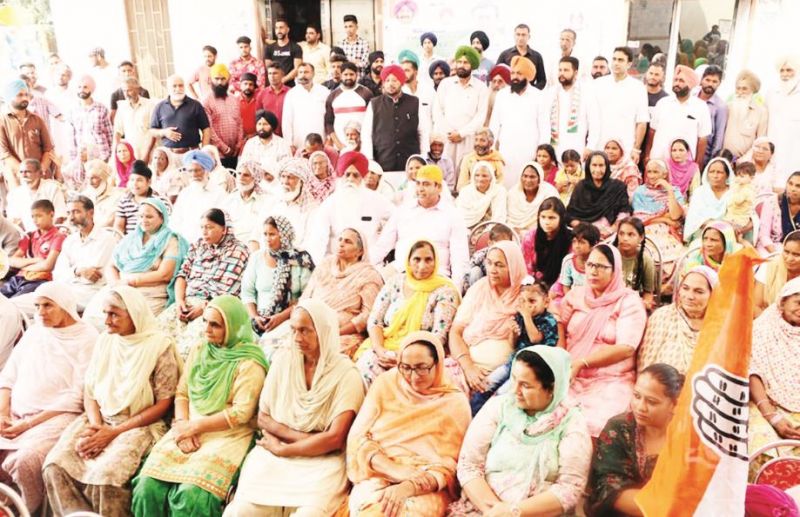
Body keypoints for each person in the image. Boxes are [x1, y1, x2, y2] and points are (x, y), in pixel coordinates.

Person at [42, 286, 180, 516]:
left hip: (138, 424)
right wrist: (97, 427)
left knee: (106, 479)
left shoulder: (159, 346)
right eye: (105, 313)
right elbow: (90, 390)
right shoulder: (106, 340)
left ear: (134, 315)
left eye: (114, 314)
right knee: (55, 466)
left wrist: (113, 432)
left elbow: (163, 404)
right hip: (99, 418)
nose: (106, 320)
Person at [224, 299, 364, 515]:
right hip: (275, 456)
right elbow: (263, 418)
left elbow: (335, 439)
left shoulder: (347, 375)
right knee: (240, 511)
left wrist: (286, 447)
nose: (297, 338)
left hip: (322, 463)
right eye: (294, 330)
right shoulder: (283, 361)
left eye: (305, 330)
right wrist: (307, 441)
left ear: (324, 331)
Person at [131, 295, 267, 517]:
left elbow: (241, 413)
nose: (207, 329)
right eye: (205, 321)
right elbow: (182, 393)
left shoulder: (249, 362)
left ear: (233, 327)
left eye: (215, 325)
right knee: (147, 487)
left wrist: (194, 428)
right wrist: (182, 426)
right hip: (188, 425)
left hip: (227, 433)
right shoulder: (201, 349)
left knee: (192, 496)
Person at [448, 346, 591, 516]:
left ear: (552, 388)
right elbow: (469, 465)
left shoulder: (570, 421)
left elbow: (570, 487)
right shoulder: (499, 407)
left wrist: (515, 511)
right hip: (484, 509)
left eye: (525, 385)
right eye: (514, 379)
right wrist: (496, 511)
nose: (515, 390)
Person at [346, 331, 471, 515]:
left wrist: (408, 486)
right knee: (373, 511)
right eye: (405, 367)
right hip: (379, 472)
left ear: (438, 364)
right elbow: (357, 438)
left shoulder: (454, 403)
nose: (413, 376)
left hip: (426, 485)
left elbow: (450, 467)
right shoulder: (386, 383)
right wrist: (394, 469)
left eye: (421, 368)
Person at [0, 283, 97, 513]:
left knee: (26, 460)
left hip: (56, 416)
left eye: (47, 306)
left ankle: (25, 510)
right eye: (37, 306)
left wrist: (28, 424)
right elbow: (9, 376)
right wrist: (3, 412)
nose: (41, 312)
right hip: (14, 413)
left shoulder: (88, 338)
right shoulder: (35, 331)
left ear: (65, 306)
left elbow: (77, 396)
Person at [560, 244, 647, 437]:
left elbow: (626, 348)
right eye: (590, 265)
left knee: (595, 425)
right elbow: (558, 320)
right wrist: (561, 354)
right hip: (571, 374)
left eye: (601, 266)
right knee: (549, 416)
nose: (593, 271)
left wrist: (583, 363)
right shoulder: (577, 294)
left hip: (611, 380)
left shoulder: (628, 302)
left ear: (615, 271)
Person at [585, 364, 685, 516]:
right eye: (637, 396)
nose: (640, 407)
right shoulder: (619, 428)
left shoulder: (687, 437)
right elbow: (607, 487)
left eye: (652, 401)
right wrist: (663, 509)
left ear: (674, 404)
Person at [356, 240, 460, 385]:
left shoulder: (445, 291)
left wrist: (406, 359)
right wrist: (380, 350)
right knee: (364, 370)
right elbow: (375, 321)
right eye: (417, 259)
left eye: (428, 260)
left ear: (436, 261)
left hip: (420, 357)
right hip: (386, 348)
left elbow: (439, 335)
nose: (422, 266)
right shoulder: (395, 283)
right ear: (408, 261)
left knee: (397, 382)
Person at [157, 209, 250, 358]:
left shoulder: (238, 251)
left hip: (215, 308)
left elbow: (229, 292)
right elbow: (182, 275)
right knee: (156, 338)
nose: (204, 232)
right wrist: (180, 302)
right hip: (186, 303)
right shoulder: (198, 246)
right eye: (202, 227)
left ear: (224, 229)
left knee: (187, 349)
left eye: (210, 227)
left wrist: (204, 308)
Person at [466, 280, 560, 416]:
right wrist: (513, 333)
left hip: (531, 370)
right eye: (523, 301)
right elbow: (512, 345)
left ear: (546, 302)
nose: (527, 306)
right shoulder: (520, 317)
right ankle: (471, 415)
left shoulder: (548, 320)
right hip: (514, 362)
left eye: (532, 301)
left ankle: (491, 417)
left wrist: (526, 316)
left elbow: (535, 339)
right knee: (486, 385)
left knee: (502, 394)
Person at [447, 241, 526, 394]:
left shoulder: (526, 295)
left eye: (499, 265)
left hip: (505, 375)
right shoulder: (479, 288)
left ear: (514, 266)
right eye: (489, 263)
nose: (492, 270)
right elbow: (455, 332)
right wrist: (468, 367)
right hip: (465, 366)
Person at [371, 165, 469, 287]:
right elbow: (382, 246)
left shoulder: (453, 215)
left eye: (426, 184)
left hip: (436, 275)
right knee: (369, 283)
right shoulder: (403, 210)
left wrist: (456, 288)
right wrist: (370, 269)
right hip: (400, 270)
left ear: (438, 187)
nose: (420, 189)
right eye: (418, 184)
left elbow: (460, 258)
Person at [96, 198, 188, 320]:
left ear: (162, 218)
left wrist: (131, 282)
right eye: (140, 216)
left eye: (149, 217)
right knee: (95, 317)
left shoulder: (171, 240)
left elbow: (165, 274)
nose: (144, 220)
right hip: (120, 289)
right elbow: (111, 266)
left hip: (149, 294)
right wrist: (116, 284)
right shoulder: (130, 239)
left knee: (126, 320)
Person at [300, 228, 383, 356]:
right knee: (284, 347)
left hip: (344, 333)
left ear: (360, 251)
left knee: (322, 354)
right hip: (309, 326)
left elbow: (368, 316)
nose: (341, 244)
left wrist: (335, 333)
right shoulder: (325, 264)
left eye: (348, 241)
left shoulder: (368, 275)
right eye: (340, 239)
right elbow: (306, 297)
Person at [307, 151, 393, 264]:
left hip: (368, 264)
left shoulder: (377, 200)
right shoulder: (330, 203)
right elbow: (318, 240)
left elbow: (396, 220)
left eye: (355, 175)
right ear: (341, 176)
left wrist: (377, 253)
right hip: (337, 265)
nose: (350, 180)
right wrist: (325, 265)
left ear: (362, 177)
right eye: (347, 175)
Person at [748, 277, 800, 453]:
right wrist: (772, 416)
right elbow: (752, 371)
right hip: (766, 406)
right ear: (783, 302)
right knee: (762, 448)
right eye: (798, 303)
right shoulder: (763, 328)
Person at [241, 215, 313, 339]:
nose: (267, 239)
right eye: (265, 234)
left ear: (284, 235)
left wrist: (280, 317)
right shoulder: (257, 258)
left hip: (289, 319)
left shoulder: (300, 259)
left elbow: (307, 298)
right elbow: (247, 293)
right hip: (258, 320)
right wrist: (254, 317)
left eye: (272, 234)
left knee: (271, 342)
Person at [638, 266, 718, 374]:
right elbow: (645, 364)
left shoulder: (721, 325)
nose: (689, 296)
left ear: (713, 294)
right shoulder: (663, 317)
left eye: (699, 292)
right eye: (685, 288)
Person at [43, 196, 116, 312]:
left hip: (91, 293)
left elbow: (91, 278)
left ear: (91, 213)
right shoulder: (70, 240)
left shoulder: (106, 239)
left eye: (76, 212)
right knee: (38, 295)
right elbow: (57, 275)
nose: (71, 217)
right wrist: (78, 271)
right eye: (69, 213)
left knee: (47, 304)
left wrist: (71, 275)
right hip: (67, 289)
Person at [489, 56, 548, 189]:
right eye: (513, 73)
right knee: (505, 185)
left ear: (528, 76)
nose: (515, 77)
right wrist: (491, 149)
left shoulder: (539, 96)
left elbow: (544, 127)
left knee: (528, 187)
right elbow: (494, 124)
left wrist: (542, 153)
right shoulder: (502, 95)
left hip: (530, 151)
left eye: (519, 73)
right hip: (506, 151)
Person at [631, 159, 687, 291]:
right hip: (647, 230)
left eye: (655, 172)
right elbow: (640, 218)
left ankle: (667, 291)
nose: (651, 175)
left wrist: (669, 190)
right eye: (649, 172)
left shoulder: (674, 191)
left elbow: (675, 216)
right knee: (649, 254)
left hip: (669, 231)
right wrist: (665, 219)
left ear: (664, 174)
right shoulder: (640, 192)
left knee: (680, 258)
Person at [434, 46, 489, 173]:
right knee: (445, 173)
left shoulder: (481, 88)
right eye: (459, 62)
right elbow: (437, 112)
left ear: (472, 65)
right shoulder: (446, 84)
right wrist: (450, 133)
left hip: (468, 140)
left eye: (465, 62)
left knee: (465, 174)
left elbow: (480, 117)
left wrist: (461, 134)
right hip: (447, 139)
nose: (461, 65)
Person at [588, 47, 648, 163]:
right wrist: (590, 145)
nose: (616, 63)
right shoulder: (598, 85)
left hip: (626, 147)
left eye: (620, 60)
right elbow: (591, 117)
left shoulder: (638, 87)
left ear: (629, 64)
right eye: (614, 59)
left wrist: (636, 149)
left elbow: (642, 122)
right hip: (600, 145)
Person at [361, 64, 425, 172]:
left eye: (395, 80)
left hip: (410, 164)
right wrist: (370, 160)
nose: (391, 84)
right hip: (383, 162)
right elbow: (366, 134)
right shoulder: (374, 104)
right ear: (383, 83)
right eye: (387, 80)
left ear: (401, 82)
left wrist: (423, 157)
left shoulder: (414, 102)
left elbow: (423, 132)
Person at [646, 65, 711, 166]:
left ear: (690, 84)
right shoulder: (663, 103)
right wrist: (647, 155)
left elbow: (702, 140)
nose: (677, 83)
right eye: (675, 80)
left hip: (684, 165)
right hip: (658, 162)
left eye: (681, 81)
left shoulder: (701, 107)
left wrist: (697, 165)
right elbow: (652, 131)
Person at [2, 200, 65, 298]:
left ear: (51, 214)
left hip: (39, 280)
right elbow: (12, 261)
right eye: (32, 216)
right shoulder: (30, 236)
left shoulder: (58, 237)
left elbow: (48, 265)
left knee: (14, 303)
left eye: (39, 216)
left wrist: (23, 266)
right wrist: (36, 260)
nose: (35, 220)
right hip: (19, 277)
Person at [0, 79, 54, 188]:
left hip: (41, 178)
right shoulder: (2, 121)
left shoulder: (37, 119)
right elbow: (4, 154)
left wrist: (40, 170)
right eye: (19, 95)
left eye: (26, 94)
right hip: (17, 180)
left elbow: (48, 149)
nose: (25, 98)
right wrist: (25, 173)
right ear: (9, 97)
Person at [566, 151, 631, 238]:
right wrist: (585, 229)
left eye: (601, 165)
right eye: (594, 165)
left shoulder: (618, 187)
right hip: (584, 234)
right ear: (588, 167)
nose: (597, 170)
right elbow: (570, 215)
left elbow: (624, 213)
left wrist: (611, 230)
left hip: (610, 235)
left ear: (607, 166)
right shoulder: (581, 187)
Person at [171, 150, 227, 242]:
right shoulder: (185, 193)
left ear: (206, 171)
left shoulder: (219, 193)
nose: (194, 174)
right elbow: (175, 221)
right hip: (184, 242)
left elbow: (223, 223)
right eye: (190, 171)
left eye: (197, 170)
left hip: (210, 243)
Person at [148, 75, 211, 156]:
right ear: (168, 88)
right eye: (174, 86)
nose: (178, 89)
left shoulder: (195, 105)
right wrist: (164, 132)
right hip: (168, 155)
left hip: (192, 153)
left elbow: (206, 129)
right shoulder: (159, 107)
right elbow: (152, 131)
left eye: (180, 85)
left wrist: (203, 151)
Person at [548, 56, 595, 159]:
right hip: (554, 146)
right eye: (560, 70)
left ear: (576, 72)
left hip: (578, 147)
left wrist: (590, 146)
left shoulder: (586, 92)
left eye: (566, 70)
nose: (562, 73)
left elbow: (594, 122)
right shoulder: (551, 92)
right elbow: (544, 121)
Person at [223, 161, 275, 250]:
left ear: (255, 178)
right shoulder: (230, 199)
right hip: (232, 248)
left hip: (257, 247)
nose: (241, 178)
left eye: (246, 175)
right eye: (239, 174)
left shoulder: (267, 200)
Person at [521, 196, 572, 285]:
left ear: (561, 218)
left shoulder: (570, 239)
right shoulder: (530, 237)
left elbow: (568, 270)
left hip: (562, 284)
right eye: (543, 217)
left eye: (551, 217)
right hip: (535, 283)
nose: (546, 222)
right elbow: (527, 268)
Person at [6, 158, 66, 231]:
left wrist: (50, 235)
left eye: (28, 172)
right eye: (21, 172)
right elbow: (15, 220)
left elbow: (60, 216)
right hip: (26, 235)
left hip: (53, 233)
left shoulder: (52, 188)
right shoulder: (14, 194)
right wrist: (29, 236)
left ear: (40, 173)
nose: (23, 175)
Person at [203, 64, 244, 170]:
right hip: (218, 154)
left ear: (228, 80)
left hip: (235, 152)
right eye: (216, 79)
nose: (220, 82)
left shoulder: (234, 99)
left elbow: (239, 123)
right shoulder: (206, 101)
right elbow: (209, 129)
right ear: (211, 80)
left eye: (223, 79)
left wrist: (239, 144)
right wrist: (225, 149)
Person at [324, 62, 373, 150]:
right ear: (341, 75)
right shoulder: (332, 96)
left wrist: (364, 143)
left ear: (356, 75)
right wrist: (339, 145)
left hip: (363, 146)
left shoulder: (366, 93)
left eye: (351, 74)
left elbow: (373, 119)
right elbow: (328, 123)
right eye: (345, 74)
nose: (348, 77)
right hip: (340, 147)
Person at [271, 158, 319, 247]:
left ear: (301, 182)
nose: (285, 182)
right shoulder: (273, 202)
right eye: (283, 176)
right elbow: (257, 234)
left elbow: (310, 242)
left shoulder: (312, 209)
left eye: (291, 177)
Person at [113, 161, 171, 235]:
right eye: (132, 180)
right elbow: (118, 226)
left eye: (139, 180)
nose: (134, 184)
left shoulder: (160, 201)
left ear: (149, 182)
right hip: (129, 240)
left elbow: (166, 225)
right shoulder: (124, 201)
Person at [683, 157, 734, 242]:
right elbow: (694, 218)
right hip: (703, 234)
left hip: (729, 234)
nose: (715, 176)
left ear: (727, 175)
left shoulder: (735, 192)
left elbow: (745, 215)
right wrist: (715, 226)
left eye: (719, 172)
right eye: (711, 172)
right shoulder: (700, 192)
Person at [282, 63, 328, 151]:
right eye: (300, 72)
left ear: (313, 74)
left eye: (306, 72)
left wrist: (329, 139)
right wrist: (289, 143)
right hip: (298, 143)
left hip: (321, 141)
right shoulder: (291, 94)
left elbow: (329, 117)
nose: (303, 75)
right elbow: (287, 121)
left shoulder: (324, 91)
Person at [767, 55, 800, 178]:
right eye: (782, 70)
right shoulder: (772, 92)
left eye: (789, 70)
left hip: (795, 148)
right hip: (774, 143)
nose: (785, 74)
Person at [723, 69, 768, 158]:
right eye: (738, 88)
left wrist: (743, 160)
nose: (740, 92)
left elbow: (760, 142)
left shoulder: (761, 112)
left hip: (745, 162)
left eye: (744, 89)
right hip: (723, 159)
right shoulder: (727, 108)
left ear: (753, 90)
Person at [67, 75, 113, 162]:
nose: (82, 90)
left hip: (101, 154)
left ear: (92, 89)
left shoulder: (101, 108)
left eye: (85, 87)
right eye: (79, 87)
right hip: (82, 155)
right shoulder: (72, 111)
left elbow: (109, 134)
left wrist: (111, 156)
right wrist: (74, 158)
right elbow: (71, 137)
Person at [506, 161, 560, 235]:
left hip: (541, 234)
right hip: (513, 233)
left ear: (539, 178)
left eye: (532, 177)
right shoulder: (513, 193)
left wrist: (527, 234)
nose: (528, 180)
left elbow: (552, 220)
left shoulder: (549, 193)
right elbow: (508, 219)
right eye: (525, 176)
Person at [614, 217, 656, 310]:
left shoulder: (646, 260)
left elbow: (648, 293)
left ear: (641, 238)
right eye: (621, 234)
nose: (625, 238)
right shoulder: (609, 255)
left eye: (631, 234)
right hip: (610, 303)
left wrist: (645, 304)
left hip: (632, 306)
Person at [755, 231, 800, 316]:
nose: (789, 259)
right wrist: (771, 323)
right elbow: (755, 306)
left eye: (796, 255)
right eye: (786, 252)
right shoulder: (769, 266)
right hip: (764, 319)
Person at [456, 161, 508, 229]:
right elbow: (461, 218)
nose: (480, 179)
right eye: (477, 175)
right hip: (466, 228)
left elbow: (499, 217)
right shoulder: (465, 192)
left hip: (493, 228)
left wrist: (488, 231)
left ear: (491, 178)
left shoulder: (499, 191)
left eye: (484, 176)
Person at [113, 77, 155, 161]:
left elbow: (154, 132)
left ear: (138, 90)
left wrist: (147, 153)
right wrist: (117, 152)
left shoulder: (150, 105)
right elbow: (117, 132)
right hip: (130, 154)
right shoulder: (122, 107)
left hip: (149, 153)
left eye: (129, 90)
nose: (126, 94)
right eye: (124, 91)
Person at [239, 109, 292, 174]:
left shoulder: (282, 144)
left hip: (275, 179)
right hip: (254, 179)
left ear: (272, 126)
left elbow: (287, 168)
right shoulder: (250, 143)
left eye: (265, 124)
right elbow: (242, 165)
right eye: (259, 124)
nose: (262, 127)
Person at [496, 24, 547, 90]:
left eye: (523, 35)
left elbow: (542, 81)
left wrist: (532, 91)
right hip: (509, 93)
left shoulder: (537, 56)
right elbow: (496, 76)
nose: (520, 38)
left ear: (529, 37)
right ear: (514, 36)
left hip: (529, 94)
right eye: (518, 34)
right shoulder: (504, 55)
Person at [695, 65, 728, 166]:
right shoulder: (692, 98)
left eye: (714, 81)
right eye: (707, 80)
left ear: (719, 84)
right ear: (701, 80)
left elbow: (719, 136)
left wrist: (711, 162)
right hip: (684, 152)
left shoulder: (720, 106)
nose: (710, 84)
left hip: (704, 156)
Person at [81, 160, 124, 227]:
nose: (90, 182)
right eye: (88, 178)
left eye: (94, 178)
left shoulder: (117, 196)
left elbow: (110, 221)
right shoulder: (83, 196)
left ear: (103, 178)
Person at [264, 21, 303, 88]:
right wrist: (275, 80)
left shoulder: (296, 47)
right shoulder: (269, 48)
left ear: (287, 30)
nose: (279, 31)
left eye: (281, 27)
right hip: (274, 86)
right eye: (276, 28)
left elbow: (297, 69)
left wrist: (282, 80)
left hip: (290, 86)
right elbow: (268, 67)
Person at [725, 161, 757, 237]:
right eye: (737, 176)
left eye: (742, 176)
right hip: (732, 216)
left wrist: (734, 187)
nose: (738, 178)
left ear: (751, 178)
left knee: (731, 234)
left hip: (739, 220)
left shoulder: (747, 190)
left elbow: (737, 201)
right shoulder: (741, 186)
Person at [256, 65, 289, 137]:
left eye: (275, 73)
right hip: (268, 135)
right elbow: (258, 116)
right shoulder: (262, 94)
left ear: (282, 75)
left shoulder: (291, 92)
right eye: (270, 73)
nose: (272, 76)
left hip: (287, 133)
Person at [237, 73, 259, 140]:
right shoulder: (235, 101)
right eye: (245, 84)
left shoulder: (259, 101)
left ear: (254, 87)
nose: (248, 87)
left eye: (251, 84)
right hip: (238, 139)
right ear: (240, 86)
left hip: (257, 138)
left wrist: (254, 135)